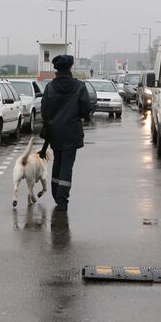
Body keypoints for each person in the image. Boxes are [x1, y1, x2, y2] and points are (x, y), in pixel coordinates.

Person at [40, 55, 93, 211]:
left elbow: (44, 111)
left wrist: (51, 123)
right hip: (71, 131)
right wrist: (77, 117)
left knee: (57, 161)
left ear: (56, 69)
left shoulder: (50, 87)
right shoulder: (79, 87)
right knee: (67, 165)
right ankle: (62, 199)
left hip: (54, 133)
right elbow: (86, 108)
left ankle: (56, 194)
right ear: (70, 68)